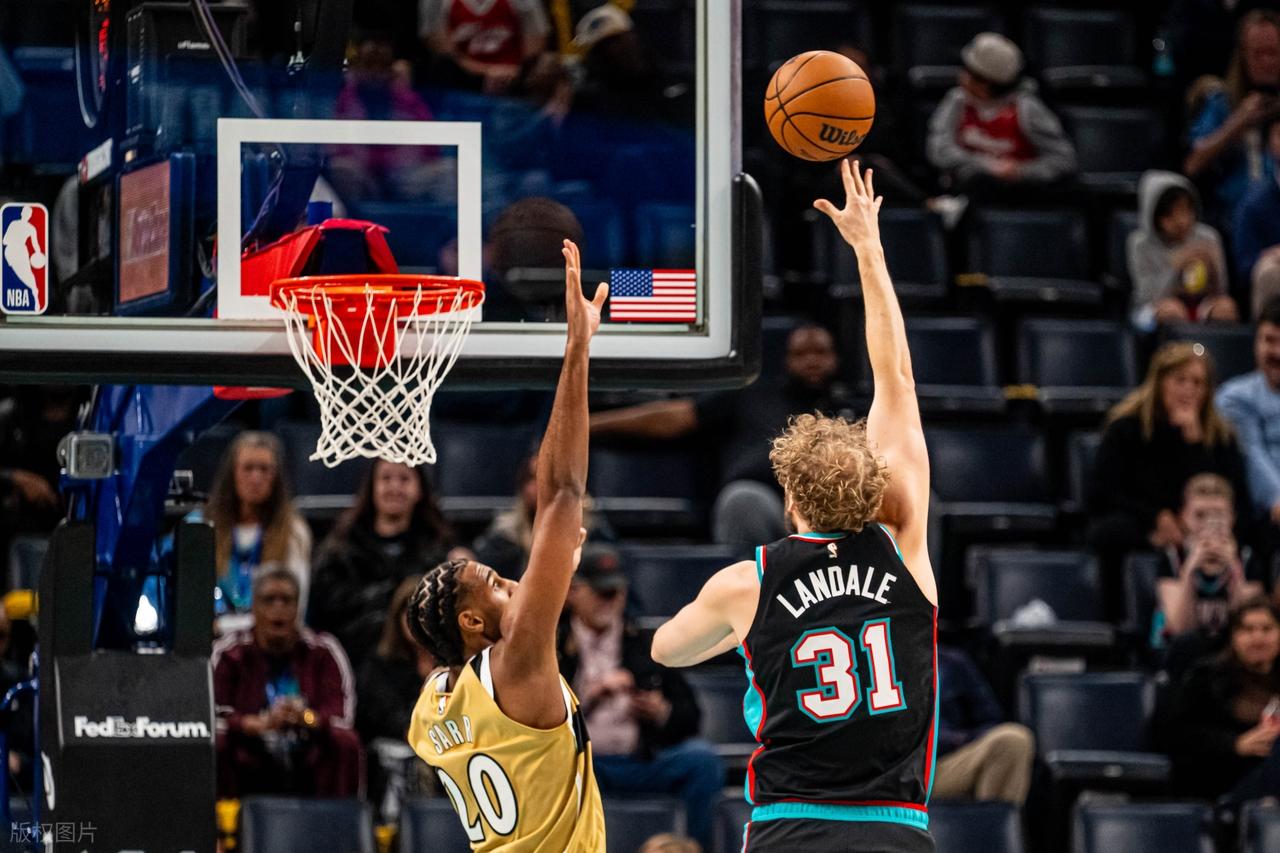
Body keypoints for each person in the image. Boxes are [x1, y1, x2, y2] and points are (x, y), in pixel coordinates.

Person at [652, 163, 939, 852]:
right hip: (896, 831)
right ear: (872, 487)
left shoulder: (746, 583)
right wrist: (868, 247)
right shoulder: (903, 545)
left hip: (790, 828)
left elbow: (666, 649)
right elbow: (896, 378)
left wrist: (741, 634)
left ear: (790, 498)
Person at [405, 239, 607, 850]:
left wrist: (554, 571)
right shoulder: (516, 660)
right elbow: (563, 490)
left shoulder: (430, 710)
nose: (513, 582)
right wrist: (577, 348)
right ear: (471, 621)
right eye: (495, 583)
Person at [590, 324, 856, 551]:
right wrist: (588, 425)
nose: (811, 361)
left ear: (837, 358)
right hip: (767, 508)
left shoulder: (854, 411)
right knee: (742, 501)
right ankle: (751, 590)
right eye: (800, 354)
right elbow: (675, 417)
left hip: (833, 513)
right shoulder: (752, 395)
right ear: (785, 360)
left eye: (820, 352)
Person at [558, 545, 724, 851]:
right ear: (573, 592)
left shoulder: (646, 643)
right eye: (601, 592)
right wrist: (586, 698)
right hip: (585, 765)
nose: (610, 600)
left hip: (641, 757)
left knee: (701, 761)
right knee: (553, 773)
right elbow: (534, 718)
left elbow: (691, 714)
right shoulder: (554, 647)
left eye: (616, 592)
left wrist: (662, 712)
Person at [1088, 342, 1249, 557]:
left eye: (1198, 382)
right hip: (1144, 525)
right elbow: (1104, 493)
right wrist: (1156, 517)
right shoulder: (1126, 429)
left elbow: (1230, 495)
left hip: (1206, 526)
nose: (1189, 389)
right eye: (1180, 380)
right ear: (1159, 382)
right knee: (1110, 530)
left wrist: (1194, 443)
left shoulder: (1221, 438)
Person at [212, 568, 362, 798]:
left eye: (286, 600)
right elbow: (212, 716)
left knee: (345, 741)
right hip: (250, 747)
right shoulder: (229, 652)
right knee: (218, 741)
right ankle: (224, 818)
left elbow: (342, 717)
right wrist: (255, 724)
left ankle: (339, 818)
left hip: (308, 746)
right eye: (269, 600)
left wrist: (306, 718)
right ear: (254, 607)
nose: (278, 608)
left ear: (298, 607)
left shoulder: (323, 650)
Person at [310, 459, 462, 671]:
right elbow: (327, 612)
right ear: (371, 487)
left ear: (420, 490)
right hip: (354, 665)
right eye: (386, 478)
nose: (394, 487)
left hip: (421, 671)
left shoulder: (442, 552)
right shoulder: (339, 551)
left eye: (404, 479)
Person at [925, 32, 1076, 199]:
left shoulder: (1027, 108)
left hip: (1021, 194)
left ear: (986, 84)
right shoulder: (957, 100)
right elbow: (939, 151)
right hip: (967, 192)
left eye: (969, 73)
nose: (962, 77)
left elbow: (1063, 160)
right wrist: (988, 166)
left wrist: (1021, 171)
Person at [1167, 595, 1280, 801]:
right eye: (1247, 629)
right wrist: (1235, 744)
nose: (1258, 638)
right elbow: (1178, 735)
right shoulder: (1206, 677)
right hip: (1222, 778)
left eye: (1267, 629)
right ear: (1233, 636)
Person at [196, 432, 311, 632]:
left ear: (276, 477)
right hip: (208, 642)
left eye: (264, 469)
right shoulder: (201, 526)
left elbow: (294, 611)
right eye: (248, 468)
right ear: (232, 473)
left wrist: (223, 625)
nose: (256, 477)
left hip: (268, 641)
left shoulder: (294, 532)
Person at [1183, 10, 1280, 227]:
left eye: (1272, 52)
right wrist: (1238, 123)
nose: (1266, 61)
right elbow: (1192, 164)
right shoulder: (1221, 103)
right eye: (1258, 53)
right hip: (1229, 218)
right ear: (1243, 56)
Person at [357, 576, 440, 819]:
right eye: (410, 612)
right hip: (397, 749)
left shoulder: (454, 664)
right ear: (397, 618)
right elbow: (387, 717)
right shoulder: (380, 665)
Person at [1155, 475, 1263, 657]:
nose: (1208, 523)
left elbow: (1248, 623)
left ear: (1232, 517)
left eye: (1218, 514)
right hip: (1180, 654)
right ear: (1184, 517)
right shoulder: (1172, 558)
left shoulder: (1247, 558)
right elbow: (1180, 628)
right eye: (1200, 515)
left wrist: (1233, 567)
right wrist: (1190, 569)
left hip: (1231, 654)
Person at [472, 451, 612, 579]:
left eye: (551, 479)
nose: (543, 486)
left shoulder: (594, 528)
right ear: (523, 487)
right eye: (535, 478)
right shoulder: (504, 536)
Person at [1128, 170, 1238, 329]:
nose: (1181, 220)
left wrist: (1211, 269)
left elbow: (1222, 290)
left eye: (1186, 210)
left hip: (1200, 303)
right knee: (1172, 311)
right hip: (1154, 307)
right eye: (1170, 214)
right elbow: (1148, 296)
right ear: (1154, 216)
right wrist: (1176, 267)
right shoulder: (1139, 244)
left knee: (1226, 309)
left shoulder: (1208, 237)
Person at [1217, 296, 1280, 574]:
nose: (1276, 352)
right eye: (1269, 340)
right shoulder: (1235, 397)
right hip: (1263, 515)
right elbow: (1252, 454)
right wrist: (1277, 499)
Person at [931, 646, 1035, 806]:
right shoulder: (888, 664)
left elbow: (991, 721)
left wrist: (960, 739)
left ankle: (992, 821)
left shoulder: (951, 662)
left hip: (941, 766)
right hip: (898, 772)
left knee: (1013, 740)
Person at [419, 0, 551, 95]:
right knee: (441, 67)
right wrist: (487, 72)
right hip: (464, 80)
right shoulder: (436, 3)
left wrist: (510, 72)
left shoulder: (526, 3)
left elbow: (536, 44)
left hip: (515, 78)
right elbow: (441, 48)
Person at [1233, 118, 1280, 317]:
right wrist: (1273, 254)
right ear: (1268, 144)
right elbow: (1245, 268)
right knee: (1268, 271)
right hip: (1273, 283)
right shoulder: (1253, 203)